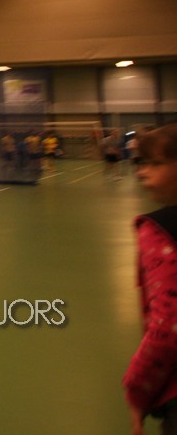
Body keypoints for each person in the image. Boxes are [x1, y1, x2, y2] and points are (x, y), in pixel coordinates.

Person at [124, 124, 177, 435]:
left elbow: (167, 328)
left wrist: (136, 388)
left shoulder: (157, 232)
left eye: (156, 163)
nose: (142, 172)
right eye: (142, 163)